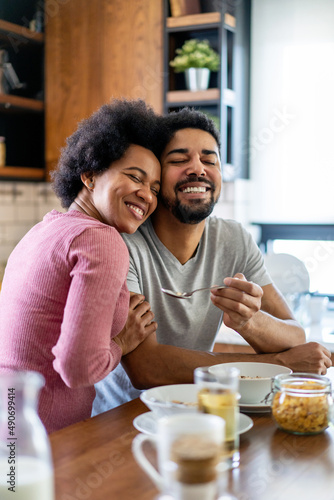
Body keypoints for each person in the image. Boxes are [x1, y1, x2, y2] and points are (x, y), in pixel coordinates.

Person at [92, 107, 332, 414]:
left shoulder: (233, 239)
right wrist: (277, 364)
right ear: (155, 174)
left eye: (209, 160)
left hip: (200, 413)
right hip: (120, 423)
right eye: (179, 160)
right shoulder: (122, 241)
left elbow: (294, 335)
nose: (198, 169)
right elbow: (147, 368)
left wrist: (250, 322)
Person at [0, 99, 164, 433]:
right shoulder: (100, 240)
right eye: (135, 177)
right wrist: (123, 341)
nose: (146, 194)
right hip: (45, 434)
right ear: (89, 175)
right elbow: (77, 367)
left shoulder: (46, 228)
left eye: (154, 188)